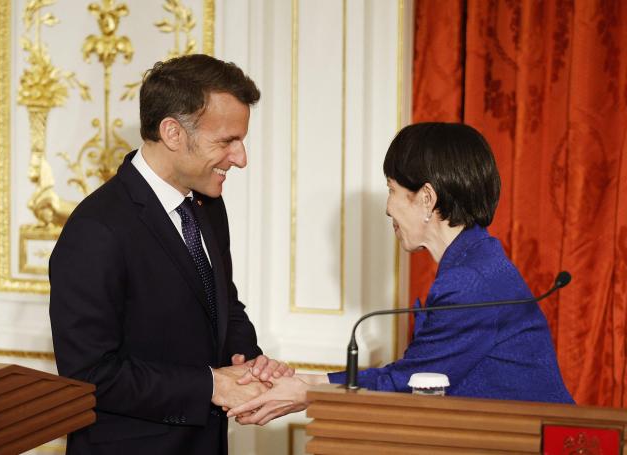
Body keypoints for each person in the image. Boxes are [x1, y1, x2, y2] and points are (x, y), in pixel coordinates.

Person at [227, 122, 574, 425]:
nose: (387, 206)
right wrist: (306, 383)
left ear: (426, 198)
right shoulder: (476, 262)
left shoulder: (470, 281)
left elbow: (413, 381)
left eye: (392, 190)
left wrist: (308, 391)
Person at [49, 54, 291, 454]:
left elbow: (223, 304)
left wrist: (251, 362)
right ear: (173, 133)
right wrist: (212, 385)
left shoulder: (208, 206)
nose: (241, 158)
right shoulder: (96, 229)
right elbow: (91, 374)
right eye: (226, 141)